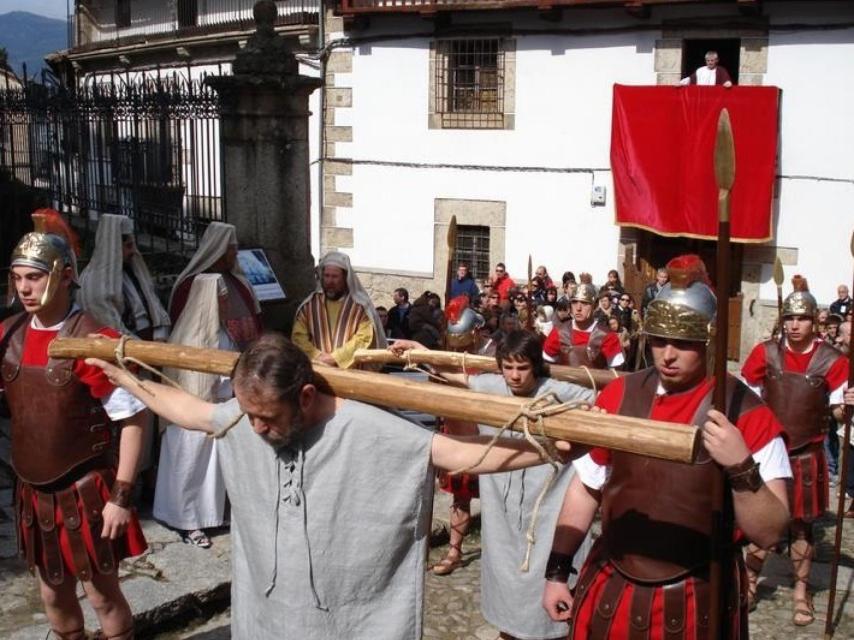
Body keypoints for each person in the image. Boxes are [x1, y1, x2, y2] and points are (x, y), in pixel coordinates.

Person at [86, 333, 577, 639]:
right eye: (249, 415)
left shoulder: (368, 428)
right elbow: (190, 413)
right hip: (270, 619)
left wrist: (548, 448)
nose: (253, 428)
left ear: (304, 397)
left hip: (346, 621)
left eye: (266, 418)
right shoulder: (245, 416)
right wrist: (125, 376)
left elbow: (461, 455)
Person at [543, 254, 791, 640]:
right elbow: (586, 487)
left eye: (683, 342)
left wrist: (741, 467)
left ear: (708, 339)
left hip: (696, 593)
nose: (668, 355)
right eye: (659, 340)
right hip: (615, 578)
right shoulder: (621, 393)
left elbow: (772, 532)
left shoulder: (747, 412)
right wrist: (558, 569)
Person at [1, 211, 149, 640]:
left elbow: (134, 417)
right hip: (32, 490)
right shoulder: (7, 335)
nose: (24, 288)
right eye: (18, 278)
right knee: (52, 595)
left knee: (102, 594)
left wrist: (122, 496)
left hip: (85, 489)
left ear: (65, 276)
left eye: (34, 277)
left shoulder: (91, 340)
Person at [393, 330, 594, 640]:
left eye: (523, 368)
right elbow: (455, 374)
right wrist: (419, 351)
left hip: (548, 504)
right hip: (502, 508)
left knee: (544, 578)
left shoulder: (559, 391)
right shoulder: (492, 386)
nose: (514, 376)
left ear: (535, 365)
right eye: (508, 367)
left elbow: (601, 399)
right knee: (505, 579)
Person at [740, 275, 848, 626]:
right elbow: (746, 398)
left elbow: (835, 413)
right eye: (789, 318)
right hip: (770, 452)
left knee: (802, 530)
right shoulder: (764, 353)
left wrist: (848, 405)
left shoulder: (832, 360)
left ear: (814, 319)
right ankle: (750, 583)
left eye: (801, 318)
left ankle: (801, 592)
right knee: (759, 524)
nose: (794, 324)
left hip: (807, 454)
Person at [153, 274, 232, 549]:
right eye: (222, 298)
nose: (225, 303)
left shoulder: (220, 331)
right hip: (187, 413)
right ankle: (186, 521)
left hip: (213, 408)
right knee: (187, 469)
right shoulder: (191, 334)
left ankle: (208, 515)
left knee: (210, 470)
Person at [431, 296, 484, 576]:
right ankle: (454, 550)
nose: (457, 343)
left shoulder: (491, 355)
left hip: (488, 435)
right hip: (458, 435)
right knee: (460, 498)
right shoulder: (445, 358)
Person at [169, 222, 262, 351]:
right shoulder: (192, 285)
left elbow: (257, 320)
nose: (236, 253)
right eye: (232, 248)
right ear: (220, 250)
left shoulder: (241, 284)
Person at [77, 213, 171, 341]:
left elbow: (155, 309)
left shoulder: (132, 272)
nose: (133, 251)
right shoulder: (93, 283)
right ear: (114, 247)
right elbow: (113, 330)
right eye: (128, 246)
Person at [292, 251, 386, 368]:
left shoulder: (360, 307)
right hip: (317, 368)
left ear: (345, 278)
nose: (330, 282)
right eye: (327, 276)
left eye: (335, 276)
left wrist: (336, 358)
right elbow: (298, 336)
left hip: (350, 372)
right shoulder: (310, 305)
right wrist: (317, 356)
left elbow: (364, 338)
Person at [542, 278, 624, 369]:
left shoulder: (607, 336)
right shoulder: (559, 332)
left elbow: (616, 374)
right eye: (574, 302)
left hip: (595, 383)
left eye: (585, 303)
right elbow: (546, 367)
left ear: (595, 306)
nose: (578, 308)